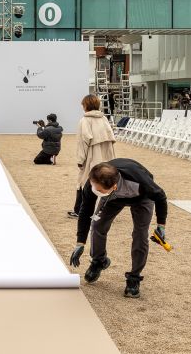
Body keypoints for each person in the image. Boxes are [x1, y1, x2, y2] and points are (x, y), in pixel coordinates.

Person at [69, 158, 169, 299]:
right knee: (98, 224)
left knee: (140, 234)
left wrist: (161, 225)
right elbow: (85, 211)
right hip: (111, 198)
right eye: (93, 186)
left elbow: (160, 197)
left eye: (98, 190)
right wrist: (80, 242)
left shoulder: (142, 182)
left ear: (114, 187)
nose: (94, 190)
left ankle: (134, 278)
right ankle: (99, 261)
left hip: (141, 198)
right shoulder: (94, 181)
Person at [68, 95, 116, 218]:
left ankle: (79, 210)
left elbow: (83, 142)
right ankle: (106, 211)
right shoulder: (104, 119)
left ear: (86, 106)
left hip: (92, 156)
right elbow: (111, 138)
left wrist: (80, 160)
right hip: (107, 155)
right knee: (106, 181)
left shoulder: (85, 121)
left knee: (84, 182)